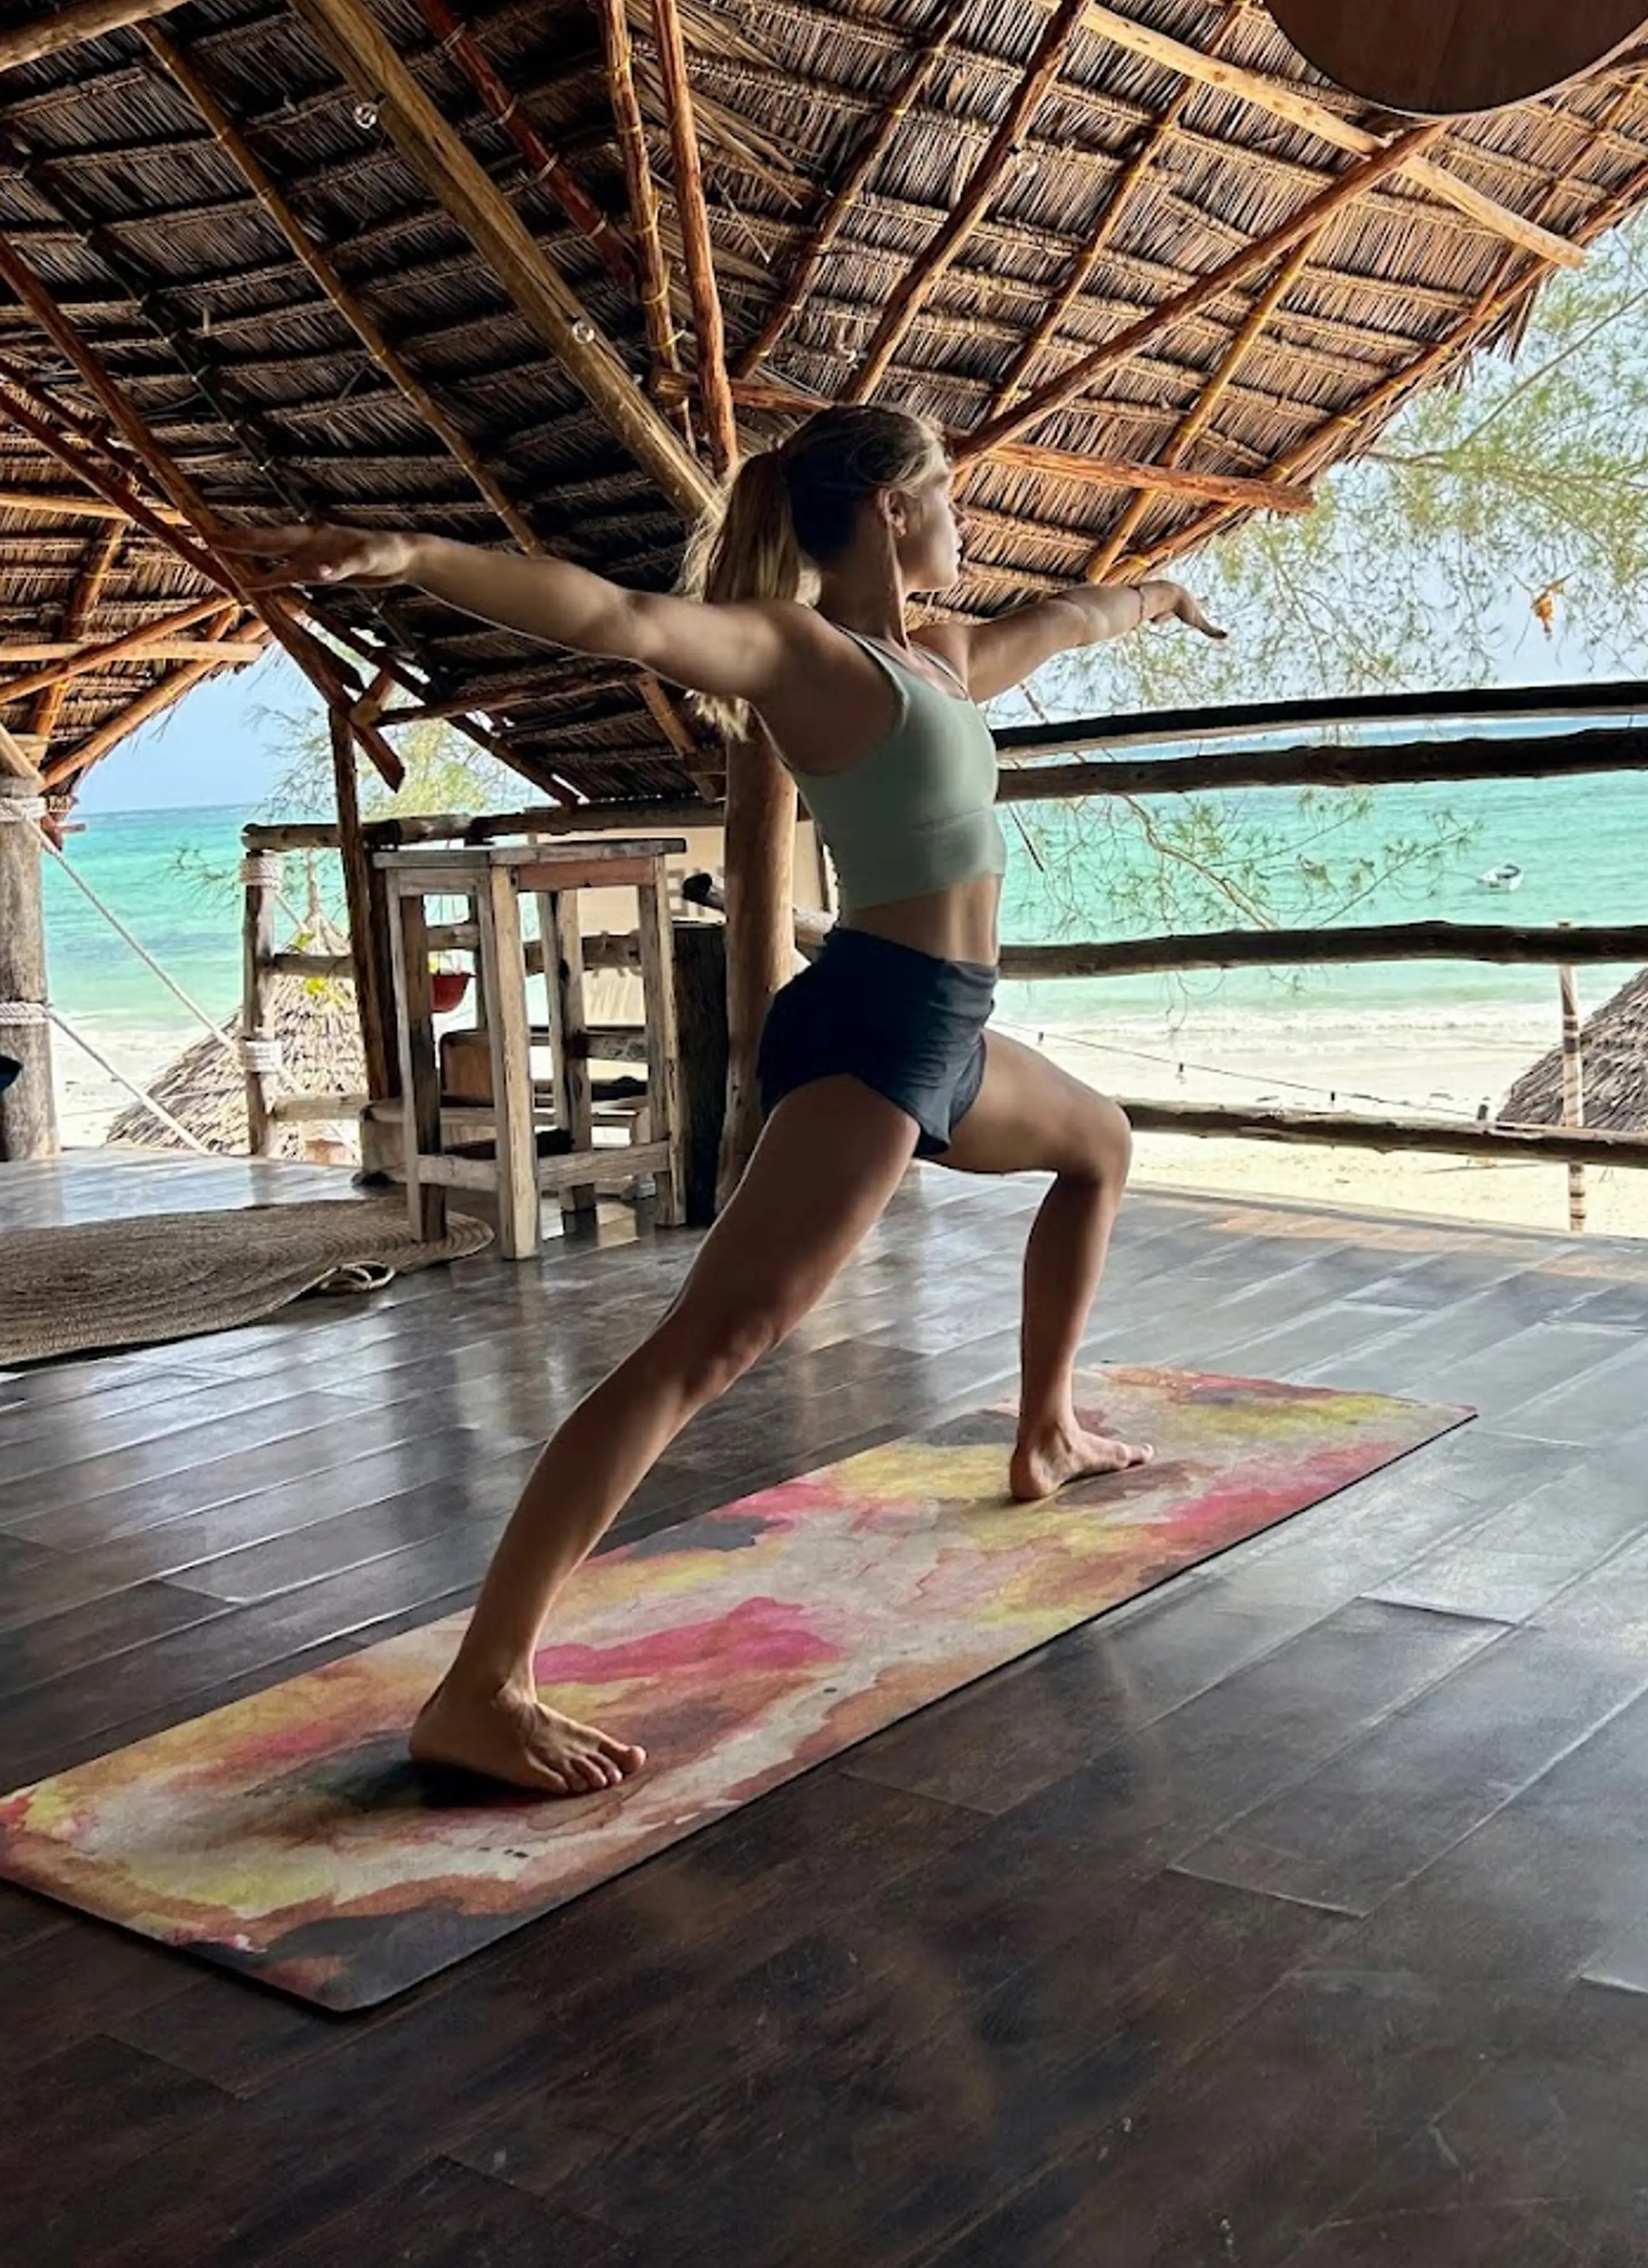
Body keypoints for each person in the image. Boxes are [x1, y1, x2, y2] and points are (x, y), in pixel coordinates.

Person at [231, 405, 1222, 1794]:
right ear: (890, 507)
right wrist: (416, 554)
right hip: (875, 1023)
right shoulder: (803, 655)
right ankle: (481, 1685)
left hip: (944, 1025)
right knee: (709, 1344)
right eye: (952, 500)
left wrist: (1160, 595)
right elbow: (616, 616)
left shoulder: (935, 655)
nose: (966, 528)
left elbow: (1065, 620)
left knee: (1098, 1148)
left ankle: (1046, 1429)